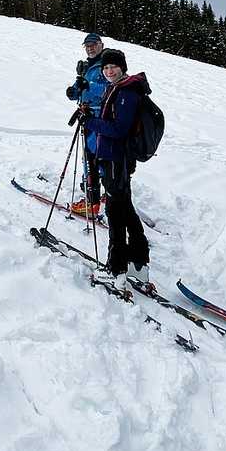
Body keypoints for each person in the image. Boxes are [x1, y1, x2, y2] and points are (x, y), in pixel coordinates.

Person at [81, 48, 151, 287]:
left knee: (115, 213)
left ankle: (116, 268)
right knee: (126, 211)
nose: (110, 71)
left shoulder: (125, 93)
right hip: (116, 160)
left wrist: (89, 121)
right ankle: (139, 265)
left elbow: (119, 129)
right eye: (106, 68)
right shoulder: (118, 89)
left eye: (114, 67)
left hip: (117, 161)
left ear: (123, 68)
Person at [66, 33, 109, 216]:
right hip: (88, 115)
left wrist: (89, 86)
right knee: (93, 155)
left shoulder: (106, 64)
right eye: (87, 46)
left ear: (101, 45)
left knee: (93, 157)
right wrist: (73, 92)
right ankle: (103, 194)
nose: (90, 48)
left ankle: (92, 202)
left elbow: (111, 88)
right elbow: (82, 88)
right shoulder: (88, 66)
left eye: (93, 45)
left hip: (99, 116)